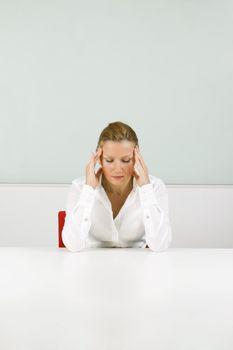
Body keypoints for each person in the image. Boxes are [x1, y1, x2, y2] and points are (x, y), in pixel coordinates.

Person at [62, 121, 172, 252]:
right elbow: (73, 245)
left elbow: (160, 245)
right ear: (99, 158)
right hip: (91, 264)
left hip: (138, 265)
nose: (118, 168)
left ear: (136, 158)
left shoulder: (154, 187)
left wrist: (145, 189)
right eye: (109, 160)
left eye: (126, 160)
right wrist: (89, 190)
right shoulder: (80, 187)